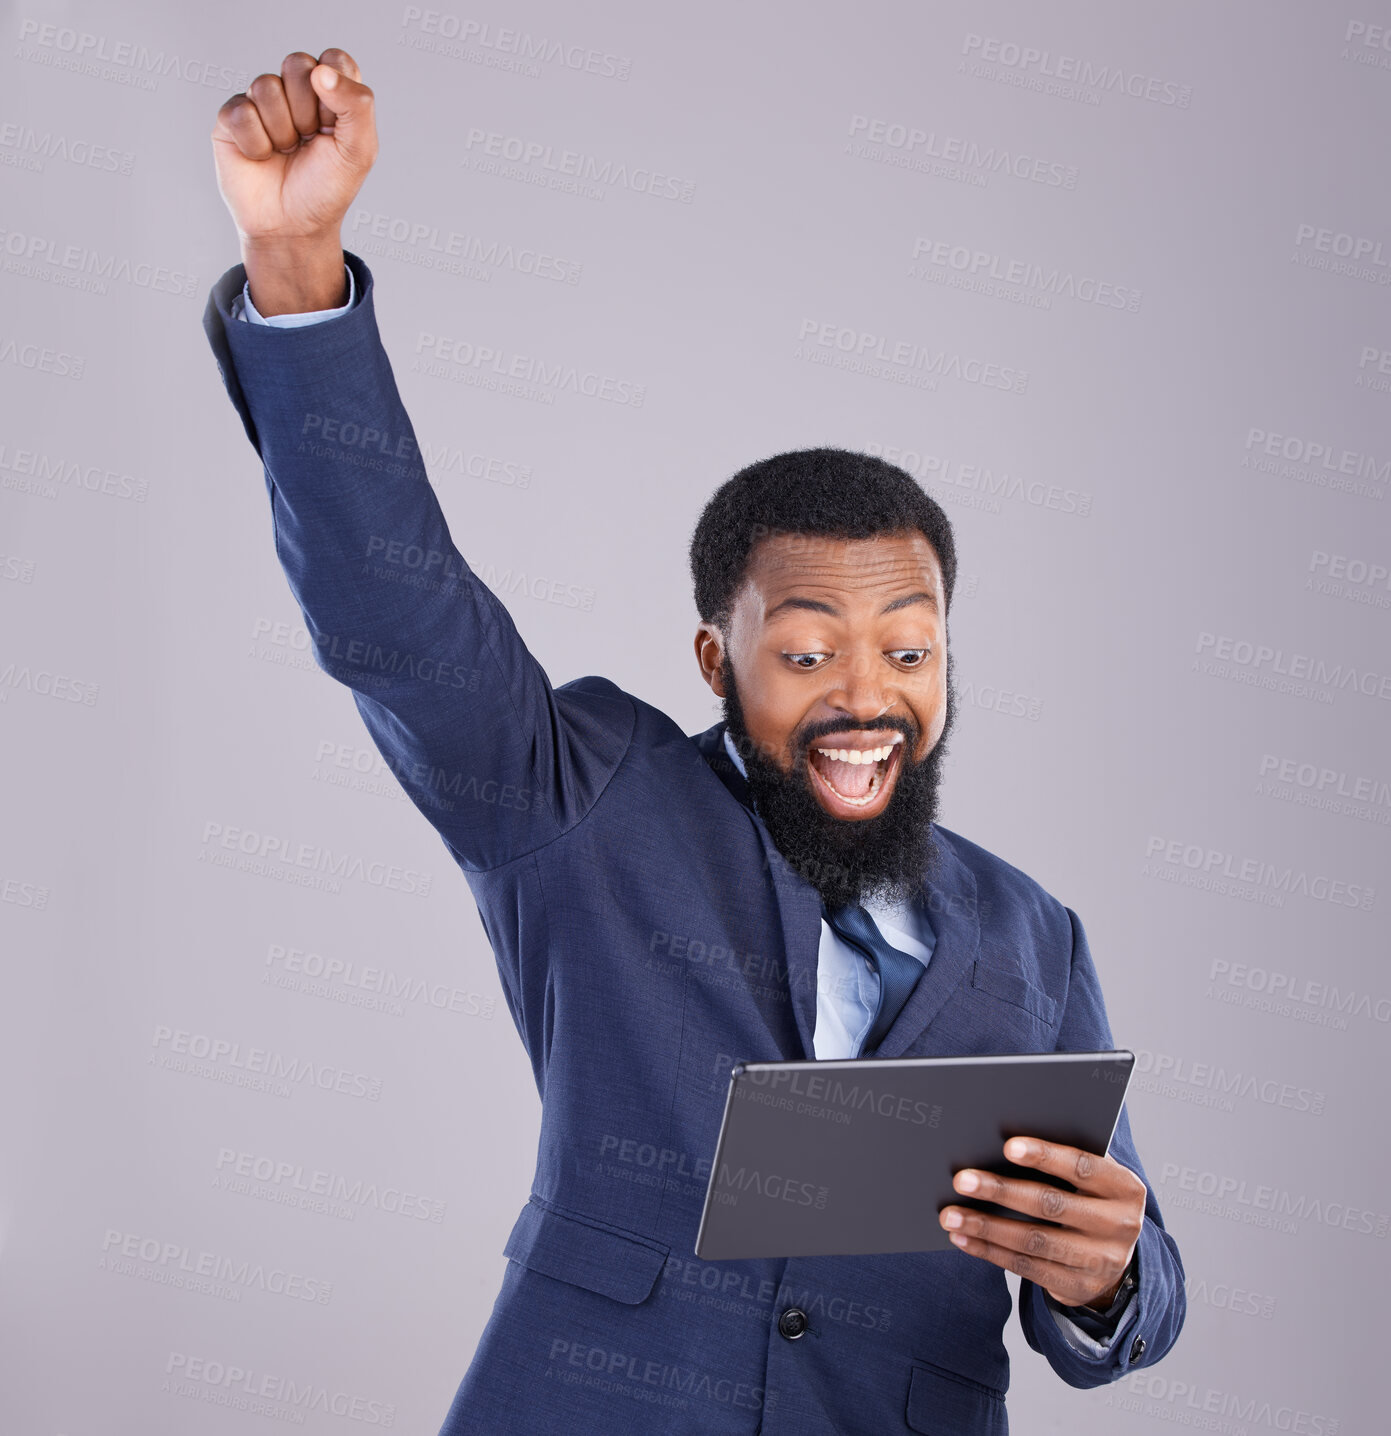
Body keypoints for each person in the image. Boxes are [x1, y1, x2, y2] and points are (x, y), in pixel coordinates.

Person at [204, 48, 1185, 1436]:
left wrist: (1110, 1276)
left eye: (909, 651)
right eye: (805, 653)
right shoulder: (588, 801)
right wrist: (297, 265)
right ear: (716, 663)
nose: (866, 695)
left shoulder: (1037, 941)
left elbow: (1125, 1307)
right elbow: (394, 619)